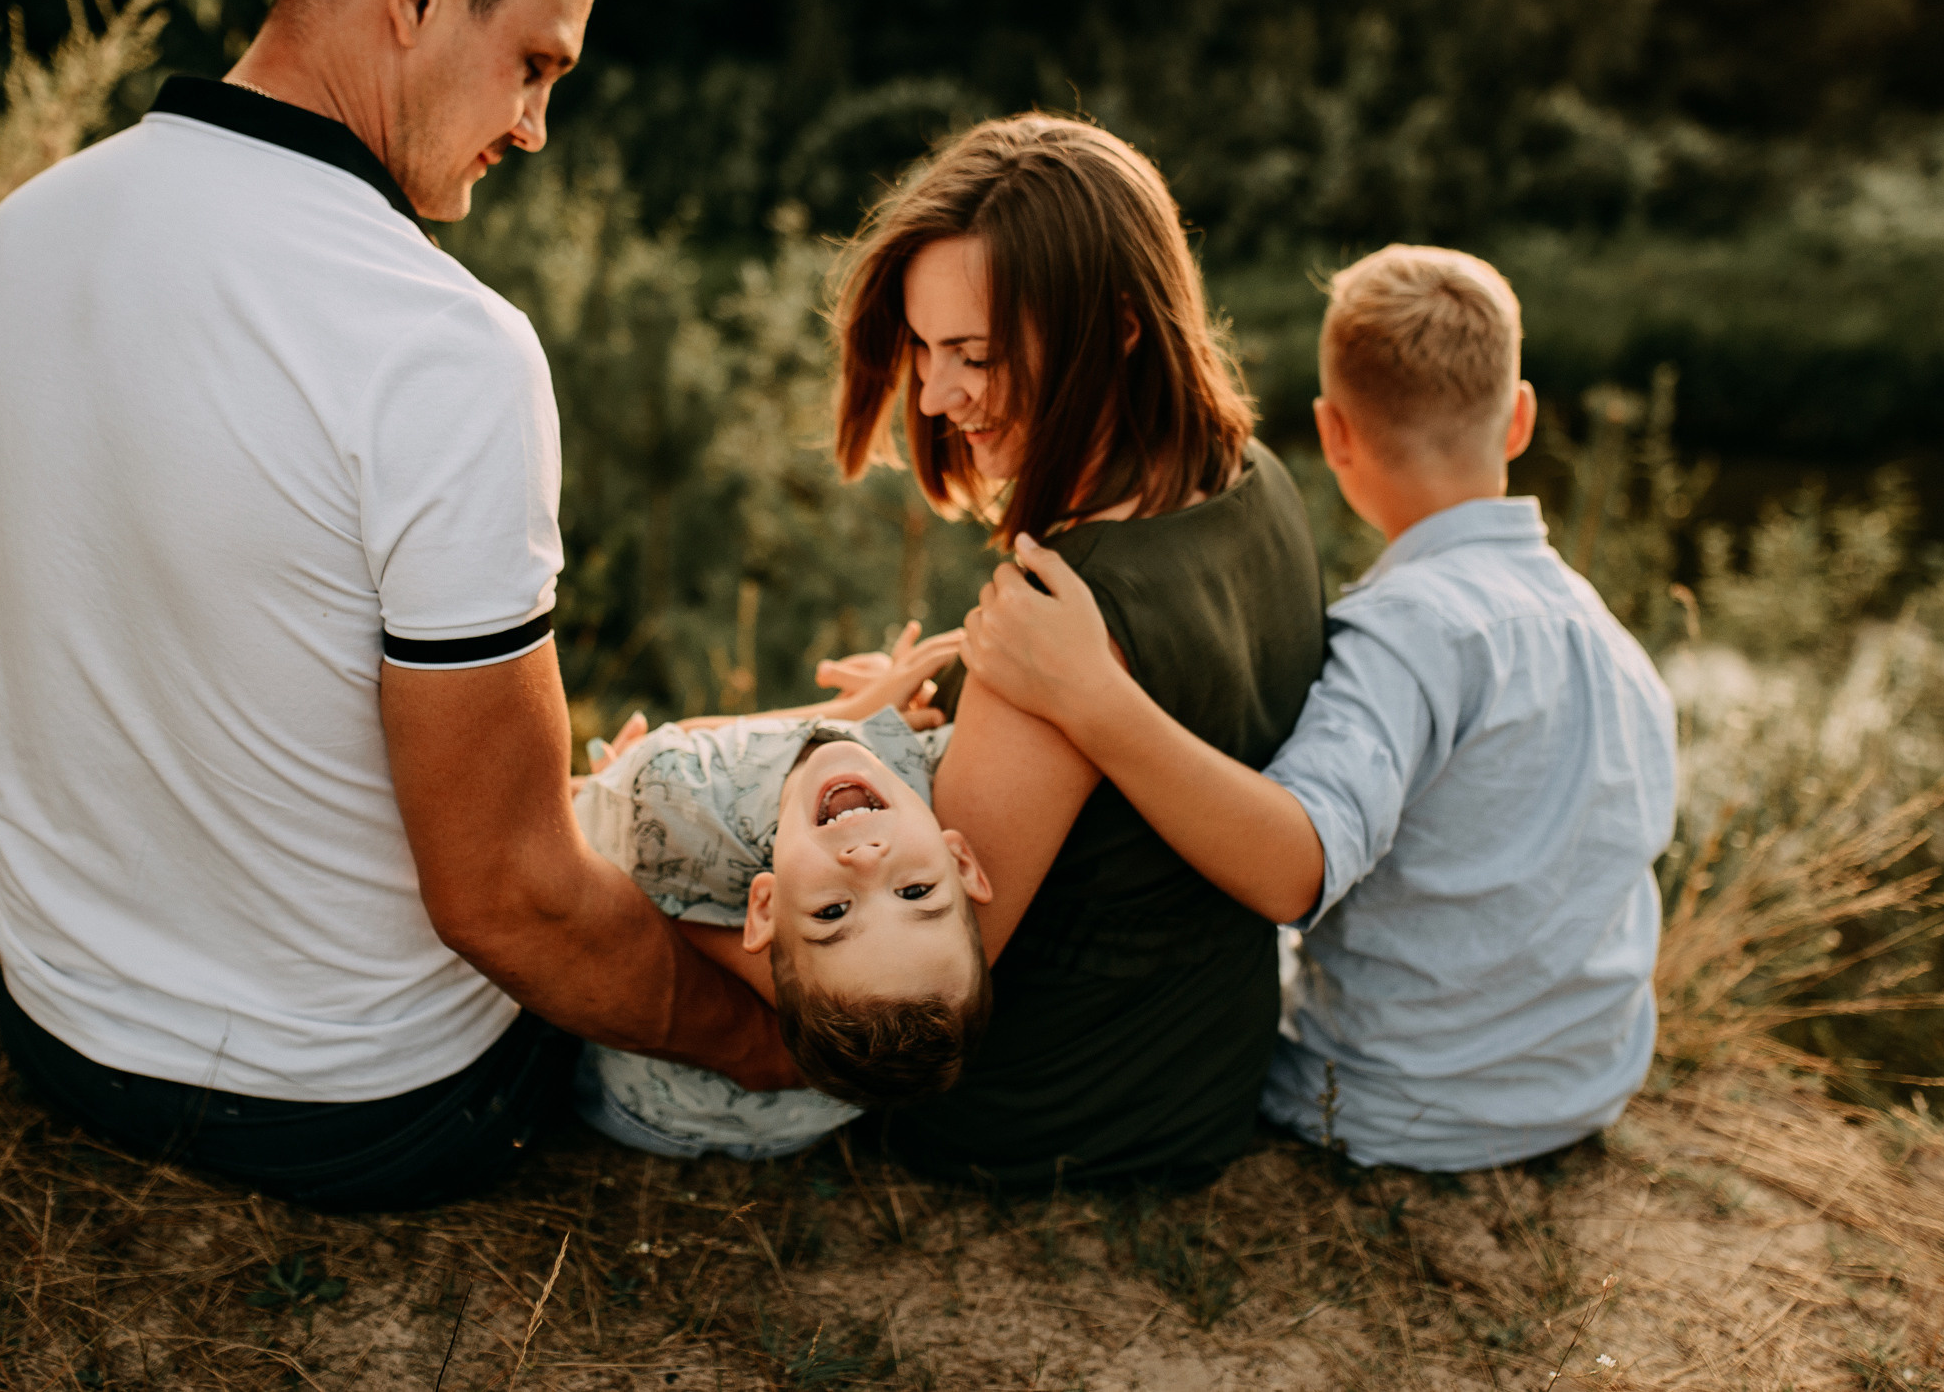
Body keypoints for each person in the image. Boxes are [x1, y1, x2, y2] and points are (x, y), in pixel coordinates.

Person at [0, 0, 789, 1214]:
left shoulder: (10, 242)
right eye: (534, 65)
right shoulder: (440, 346)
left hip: (64, 1033)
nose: (534, 127)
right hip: (361, 1103)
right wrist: (760, 1043)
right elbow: (509, 899)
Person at [962, 244, 1680, 1172]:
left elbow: (1295, 870)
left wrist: (1094, 699)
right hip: (1585, 1084)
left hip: (1398, 1104)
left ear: (1333, 433)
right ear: (1521, 418)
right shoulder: (1613, 644)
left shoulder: (1408, 635)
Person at [826, 113, 1331, 1189]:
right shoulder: (1258, 480)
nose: (934, 396)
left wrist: (838, 758)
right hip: (1207, 1075)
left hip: (1041, 1108)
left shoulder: (1063, 617)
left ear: (1120, 328)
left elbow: (921, 977)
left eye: (975, 355)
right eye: (922, 348)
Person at [571, 654, 994, 1159]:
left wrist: (612, 792)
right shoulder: (933, 763)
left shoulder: (675, 795)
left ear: (764, 906)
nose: (867, 859)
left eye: (833, 912)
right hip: (810, 1118)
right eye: (916, 892)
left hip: (658, 1111)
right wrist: (854, 718)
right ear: (959, 859)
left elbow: (588, 830)